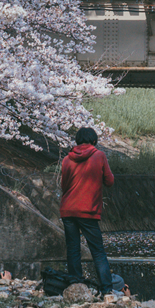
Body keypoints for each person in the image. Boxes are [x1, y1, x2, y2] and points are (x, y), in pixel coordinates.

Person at [59, 126, 116, 294]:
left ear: (77, 141)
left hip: (68, 209)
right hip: (88, 210)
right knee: (97, 251)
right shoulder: (99, 156)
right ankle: (107, 290)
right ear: (94, 141)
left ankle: (76, 286)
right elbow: (110, 181)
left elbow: (64, 186)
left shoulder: (67, 159)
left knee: (73, 248)